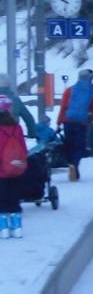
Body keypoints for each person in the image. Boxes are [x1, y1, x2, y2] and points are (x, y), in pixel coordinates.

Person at [55, 68, 93, 182]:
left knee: (69, 145)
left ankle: (71, 164)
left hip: (67, 122)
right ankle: (74, 165)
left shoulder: (69, 91)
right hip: (81, 124)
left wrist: (58, 123)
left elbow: (63, 108)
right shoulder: (91, 94)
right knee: (79, 147)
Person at [0, 97, 30, 238]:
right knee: (14, 197)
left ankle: (4, 228)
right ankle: (17, 227)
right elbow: (23, 149)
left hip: (1, 170)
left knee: (2, 198)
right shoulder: (16, 128)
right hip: (16, 169)